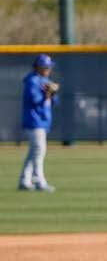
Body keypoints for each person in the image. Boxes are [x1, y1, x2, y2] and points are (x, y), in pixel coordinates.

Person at [19, 54, 59, 192]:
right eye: (46, 67)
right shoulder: (33, 81)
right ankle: (39, 181)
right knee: (39, 150)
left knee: (33, 152)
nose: (49, 69)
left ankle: (24, 180)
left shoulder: (44, 80)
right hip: (34, 120)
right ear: (38, 67)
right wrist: (48, 92)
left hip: (42, 121)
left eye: (49, 67)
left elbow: (53, 101)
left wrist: (52, 93)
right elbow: (35, 100)